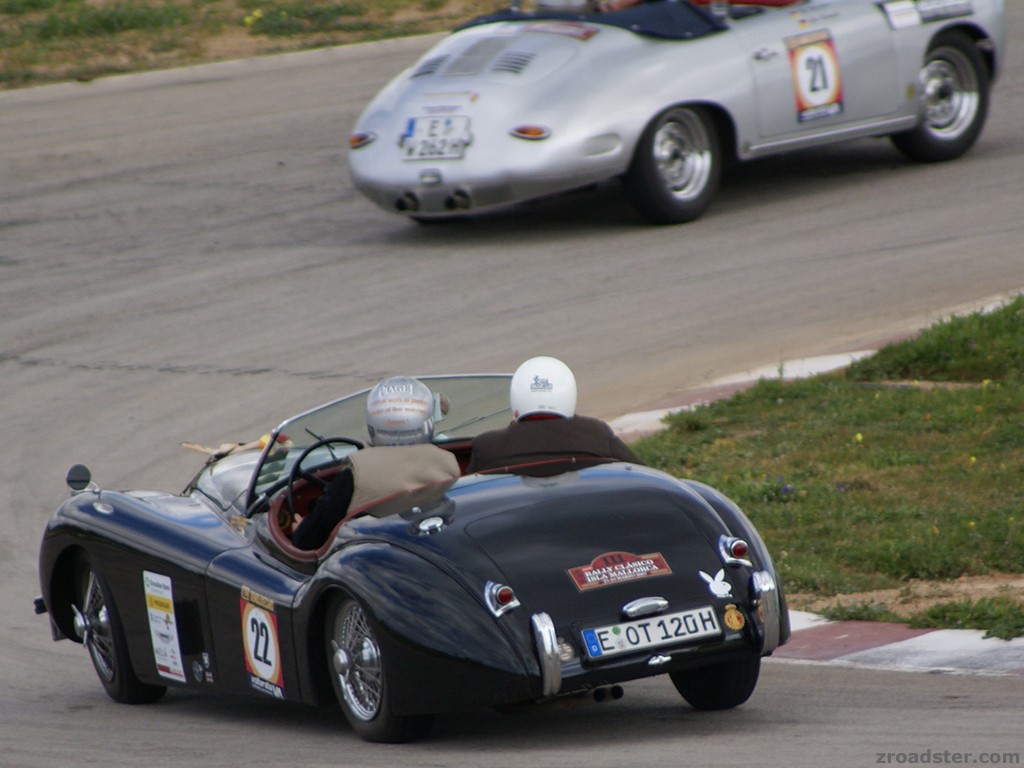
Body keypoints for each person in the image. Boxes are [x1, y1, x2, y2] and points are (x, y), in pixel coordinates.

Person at [290, 376, 460, 550]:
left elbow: (308, 541)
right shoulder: (447, 461)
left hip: (378, 553)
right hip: (441, 544)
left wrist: (301, 530)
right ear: (427, 423)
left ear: (373, 424)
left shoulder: (356, 475)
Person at [465, 356, 642, 474]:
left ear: (514, 397)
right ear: (570, 394)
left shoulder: (488, 446)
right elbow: (640, 474)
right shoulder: (595, 433)